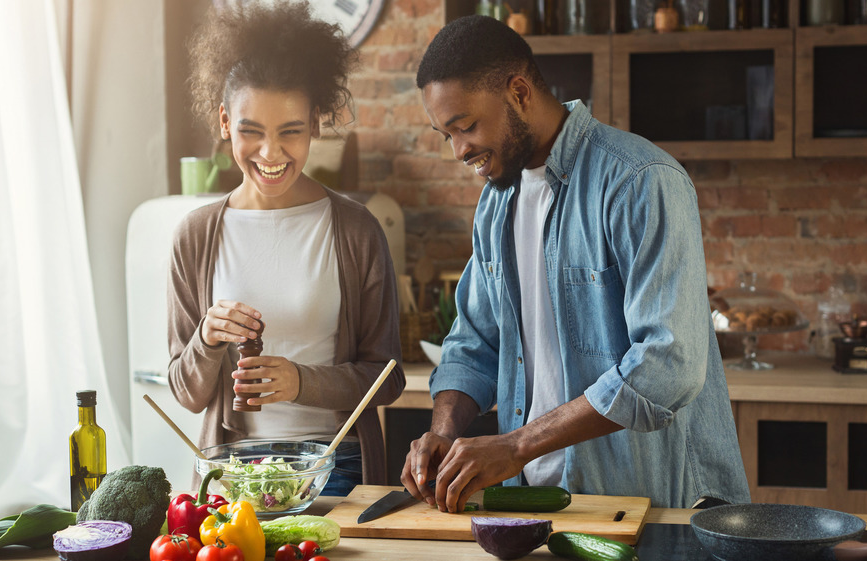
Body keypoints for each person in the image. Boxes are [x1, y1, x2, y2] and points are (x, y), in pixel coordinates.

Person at [400, 15, 750, 510]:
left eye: (468, 126)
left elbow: (667, 364)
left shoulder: (640, 181)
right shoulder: (497, 202)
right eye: (445, 135)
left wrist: (516, 446)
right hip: (532, 502)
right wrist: (442, 432)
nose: (460, 151)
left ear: (519, 92)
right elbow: (474, 340)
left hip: (647, 505)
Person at [168, 1, 404, 495]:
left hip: (335, 467)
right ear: (225, 121)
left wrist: (301, 382)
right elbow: (186, 393)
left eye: (290, 132)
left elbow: (389, 378)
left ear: (315, 123)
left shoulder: (357, 230)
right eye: (251, 132)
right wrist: (207, 341)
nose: (271, 154)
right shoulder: (195, 236)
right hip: (233, 473)